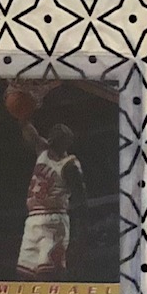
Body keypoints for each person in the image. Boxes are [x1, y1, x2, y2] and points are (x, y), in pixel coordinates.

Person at [17, 115, 85, 281]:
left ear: (65, 143)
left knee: (49, 276)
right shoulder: (43, 151)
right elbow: (32, 135)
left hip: (54, 221)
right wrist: (23, 118)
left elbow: (81, 199)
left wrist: (78, 236)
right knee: (24, 276)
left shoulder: (69, 165)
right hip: (33, 219)